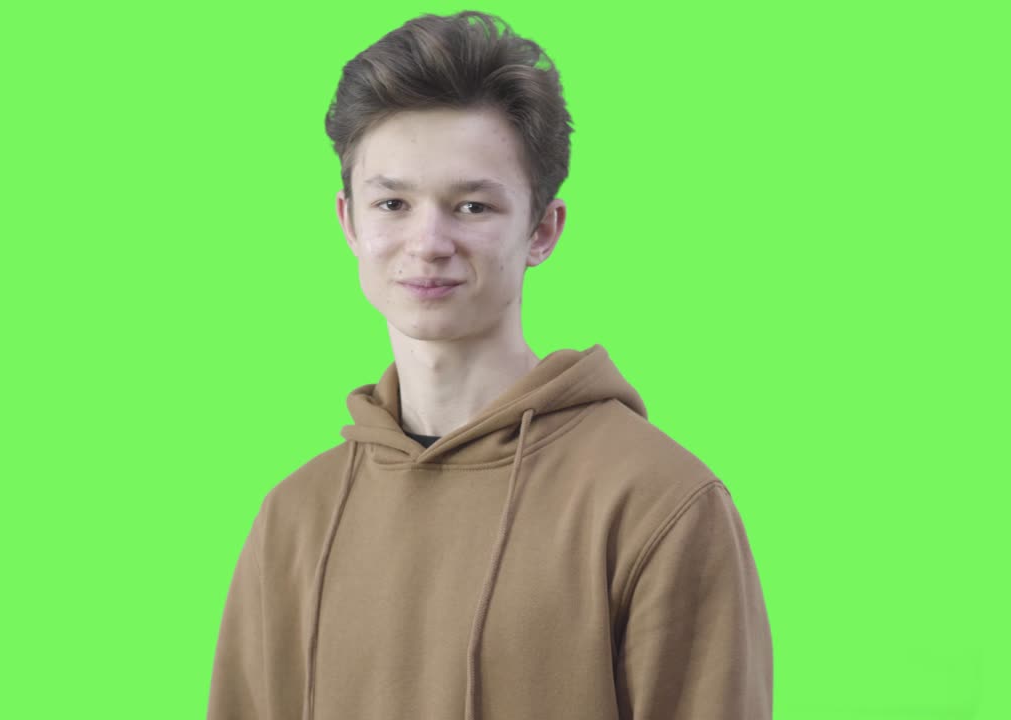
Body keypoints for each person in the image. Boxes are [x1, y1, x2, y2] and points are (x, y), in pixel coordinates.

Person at [207, 10, 772, 720]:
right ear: (350, 222)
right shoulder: (293, 517)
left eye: (472, 206)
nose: (428, 242)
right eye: (393, 203)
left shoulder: (660, 504)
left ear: (542, 230)